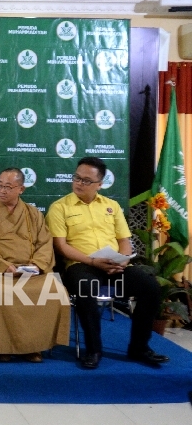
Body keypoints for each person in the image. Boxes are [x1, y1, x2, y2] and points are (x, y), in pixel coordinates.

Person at [47, 156, 167, 370]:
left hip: (114, 265)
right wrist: (93, 261)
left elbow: (124, 241)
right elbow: (62, 247)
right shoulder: (60, 207)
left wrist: (122, 260)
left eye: (86, 180)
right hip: (81, 265)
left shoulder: (112, 206)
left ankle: (139, 347)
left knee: (151, 288)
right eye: (77, 178)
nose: (79, 183)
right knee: (86, 289)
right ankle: (94, 349)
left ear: (99, 184)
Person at [0, 168, 70, 363]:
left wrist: (36, 265)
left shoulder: (33, 213)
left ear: (21, 189)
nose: (2, 190)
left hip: (31, 272)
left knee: (55, 290)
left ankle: (33, 346)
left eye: (8, 187)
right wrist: (3, 266)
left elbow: (44, 243)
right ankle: (1, 347)